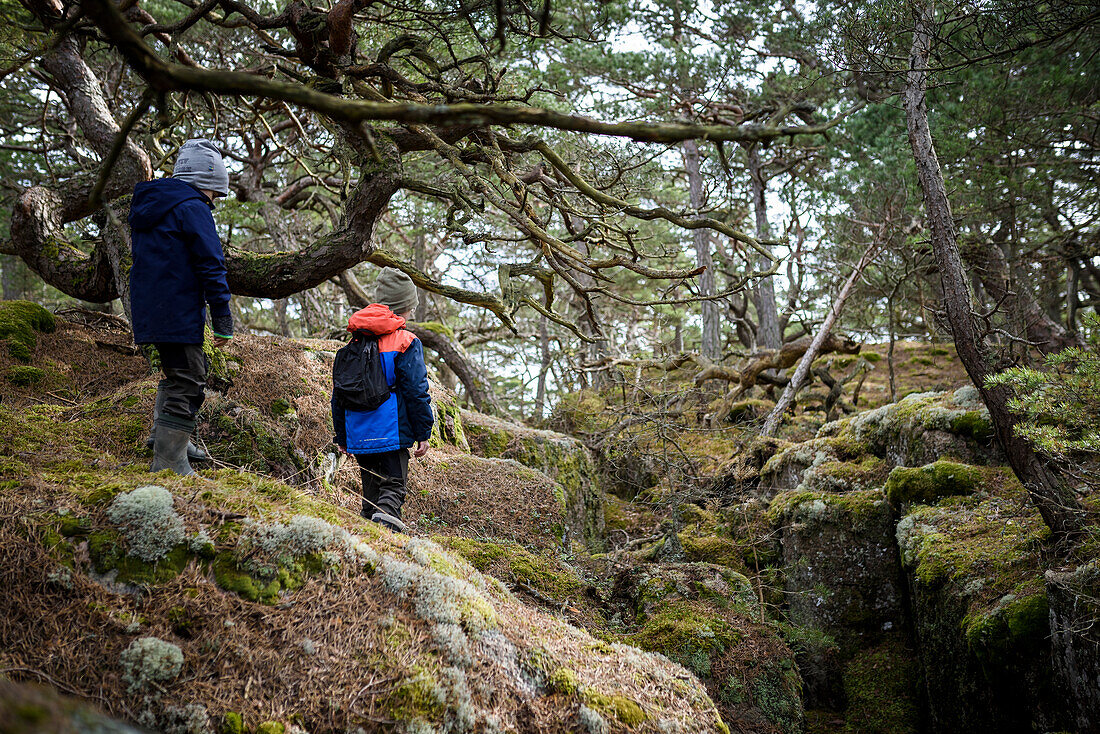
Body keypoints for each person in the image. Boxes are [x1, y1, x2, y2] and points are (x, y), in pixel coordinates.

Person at [129, 138, 234, 476]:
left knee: (178, 371)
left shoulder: (155, 204)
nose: (213, 202)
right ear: (207, 182)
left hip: (150, 306)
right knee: (190, 378)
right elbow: (211, 263)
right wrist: (222, 317)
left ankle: (166, 436)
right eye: (215, 195)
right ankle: (169, 459)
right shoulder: (192, 207)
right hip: (176, 306)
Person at [332, 269, 434, 532]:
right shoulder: (405, 342)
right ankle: (386, 531)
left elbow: (338, 396)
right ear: (403, 308)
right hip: (391, 433)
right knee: (393, 487)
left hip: (358, 433)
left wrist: (342, 437)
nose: (411, 313)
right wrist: (423, 432)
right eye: (410, 308)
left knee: (372, 492)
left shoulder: (353, 343)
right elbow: (416, 391)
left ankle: (366, 532)